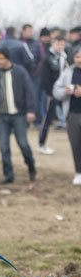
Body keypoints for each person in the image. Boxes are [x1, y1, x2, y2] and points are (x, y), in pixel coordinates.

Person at [0, 46, 37, 184]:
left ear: (7, 58)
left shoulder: (20, 72)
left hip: (18, 115)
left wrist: (31, 110)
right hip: (1, 116)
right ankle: (8, 175)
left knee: (23, 144)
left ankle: (31, 166)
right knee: (4, 147)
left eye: (0, 58)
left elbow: (29, 91)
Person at [52, 47, 81, 185]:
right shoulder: (68, 72)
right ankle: (79, 172)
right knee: (76, 145)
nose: (80, 60)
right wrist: (65, 91)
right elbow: (56, 90)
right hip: (72, 114)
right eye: (77, 57)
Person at [38, 35, 68, 155]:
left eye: (62, 44)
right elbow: (45, 78)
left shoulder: (65, 57)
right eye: (57, 44)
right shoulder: (47, 59)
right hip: (51, 94)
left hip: (64, 92)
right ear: (53, 44)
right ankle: (41, 144)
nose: (60, 46)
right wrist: (50, 93)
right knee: (47, 119)